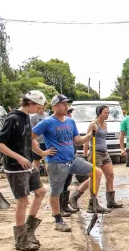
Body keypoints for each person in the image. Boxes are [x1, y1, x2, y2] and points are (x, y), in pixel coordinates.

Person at [33, 94, 103, 232]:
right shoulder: (47, 122)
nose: (66, 107)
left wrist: (90, 135)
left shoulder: (70, 122)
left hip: (72, 160)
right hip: (56, 163)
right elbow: (29, 137)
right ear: (55, 106)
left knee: (97, 172)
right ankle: (58, 220)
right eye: (63, 104)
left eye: (67, 104)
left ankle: (92, 203)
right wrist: (42, 153)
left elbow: (77, 141)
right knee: (55, 192)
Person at [0, 91, 50, 251]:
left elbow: (28, 139)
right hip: (15, 166)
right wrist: (19, 157)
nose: (38, 110)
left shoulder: (26, 117)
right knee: (23, 200)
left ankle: (29, 230)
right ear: (30, 103)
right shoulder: (13, 118)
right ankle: (21, 239)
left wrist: (42, 153)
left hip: (28, 164)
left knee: (40, 192)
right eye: (38, 107)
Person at [83, 105, 124, 210]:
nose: (107, 115)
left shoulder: (105, 124)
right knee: (95, 178)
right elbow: (86, 140)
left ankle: (110, 201)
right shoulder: (93, 124)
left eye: (108, 113)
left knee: (110, 175)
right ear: (99, 113)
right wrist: (85, 154)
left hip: (105, 152)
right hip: (95, 153)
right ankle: (92, 203)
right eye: (105, 113)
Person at [30, 104, 49, 172]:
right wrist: (34, 140)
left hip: (46, 141)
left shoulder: (47, 115)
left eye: (43, 108)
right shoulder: (34, 117)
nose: (41, 110)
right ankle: (36, 177)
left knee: (47, 158)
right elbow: (31, 129)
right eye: (39, 108)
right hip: (37, 142)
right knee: (36, 160)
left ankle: (47, 174)